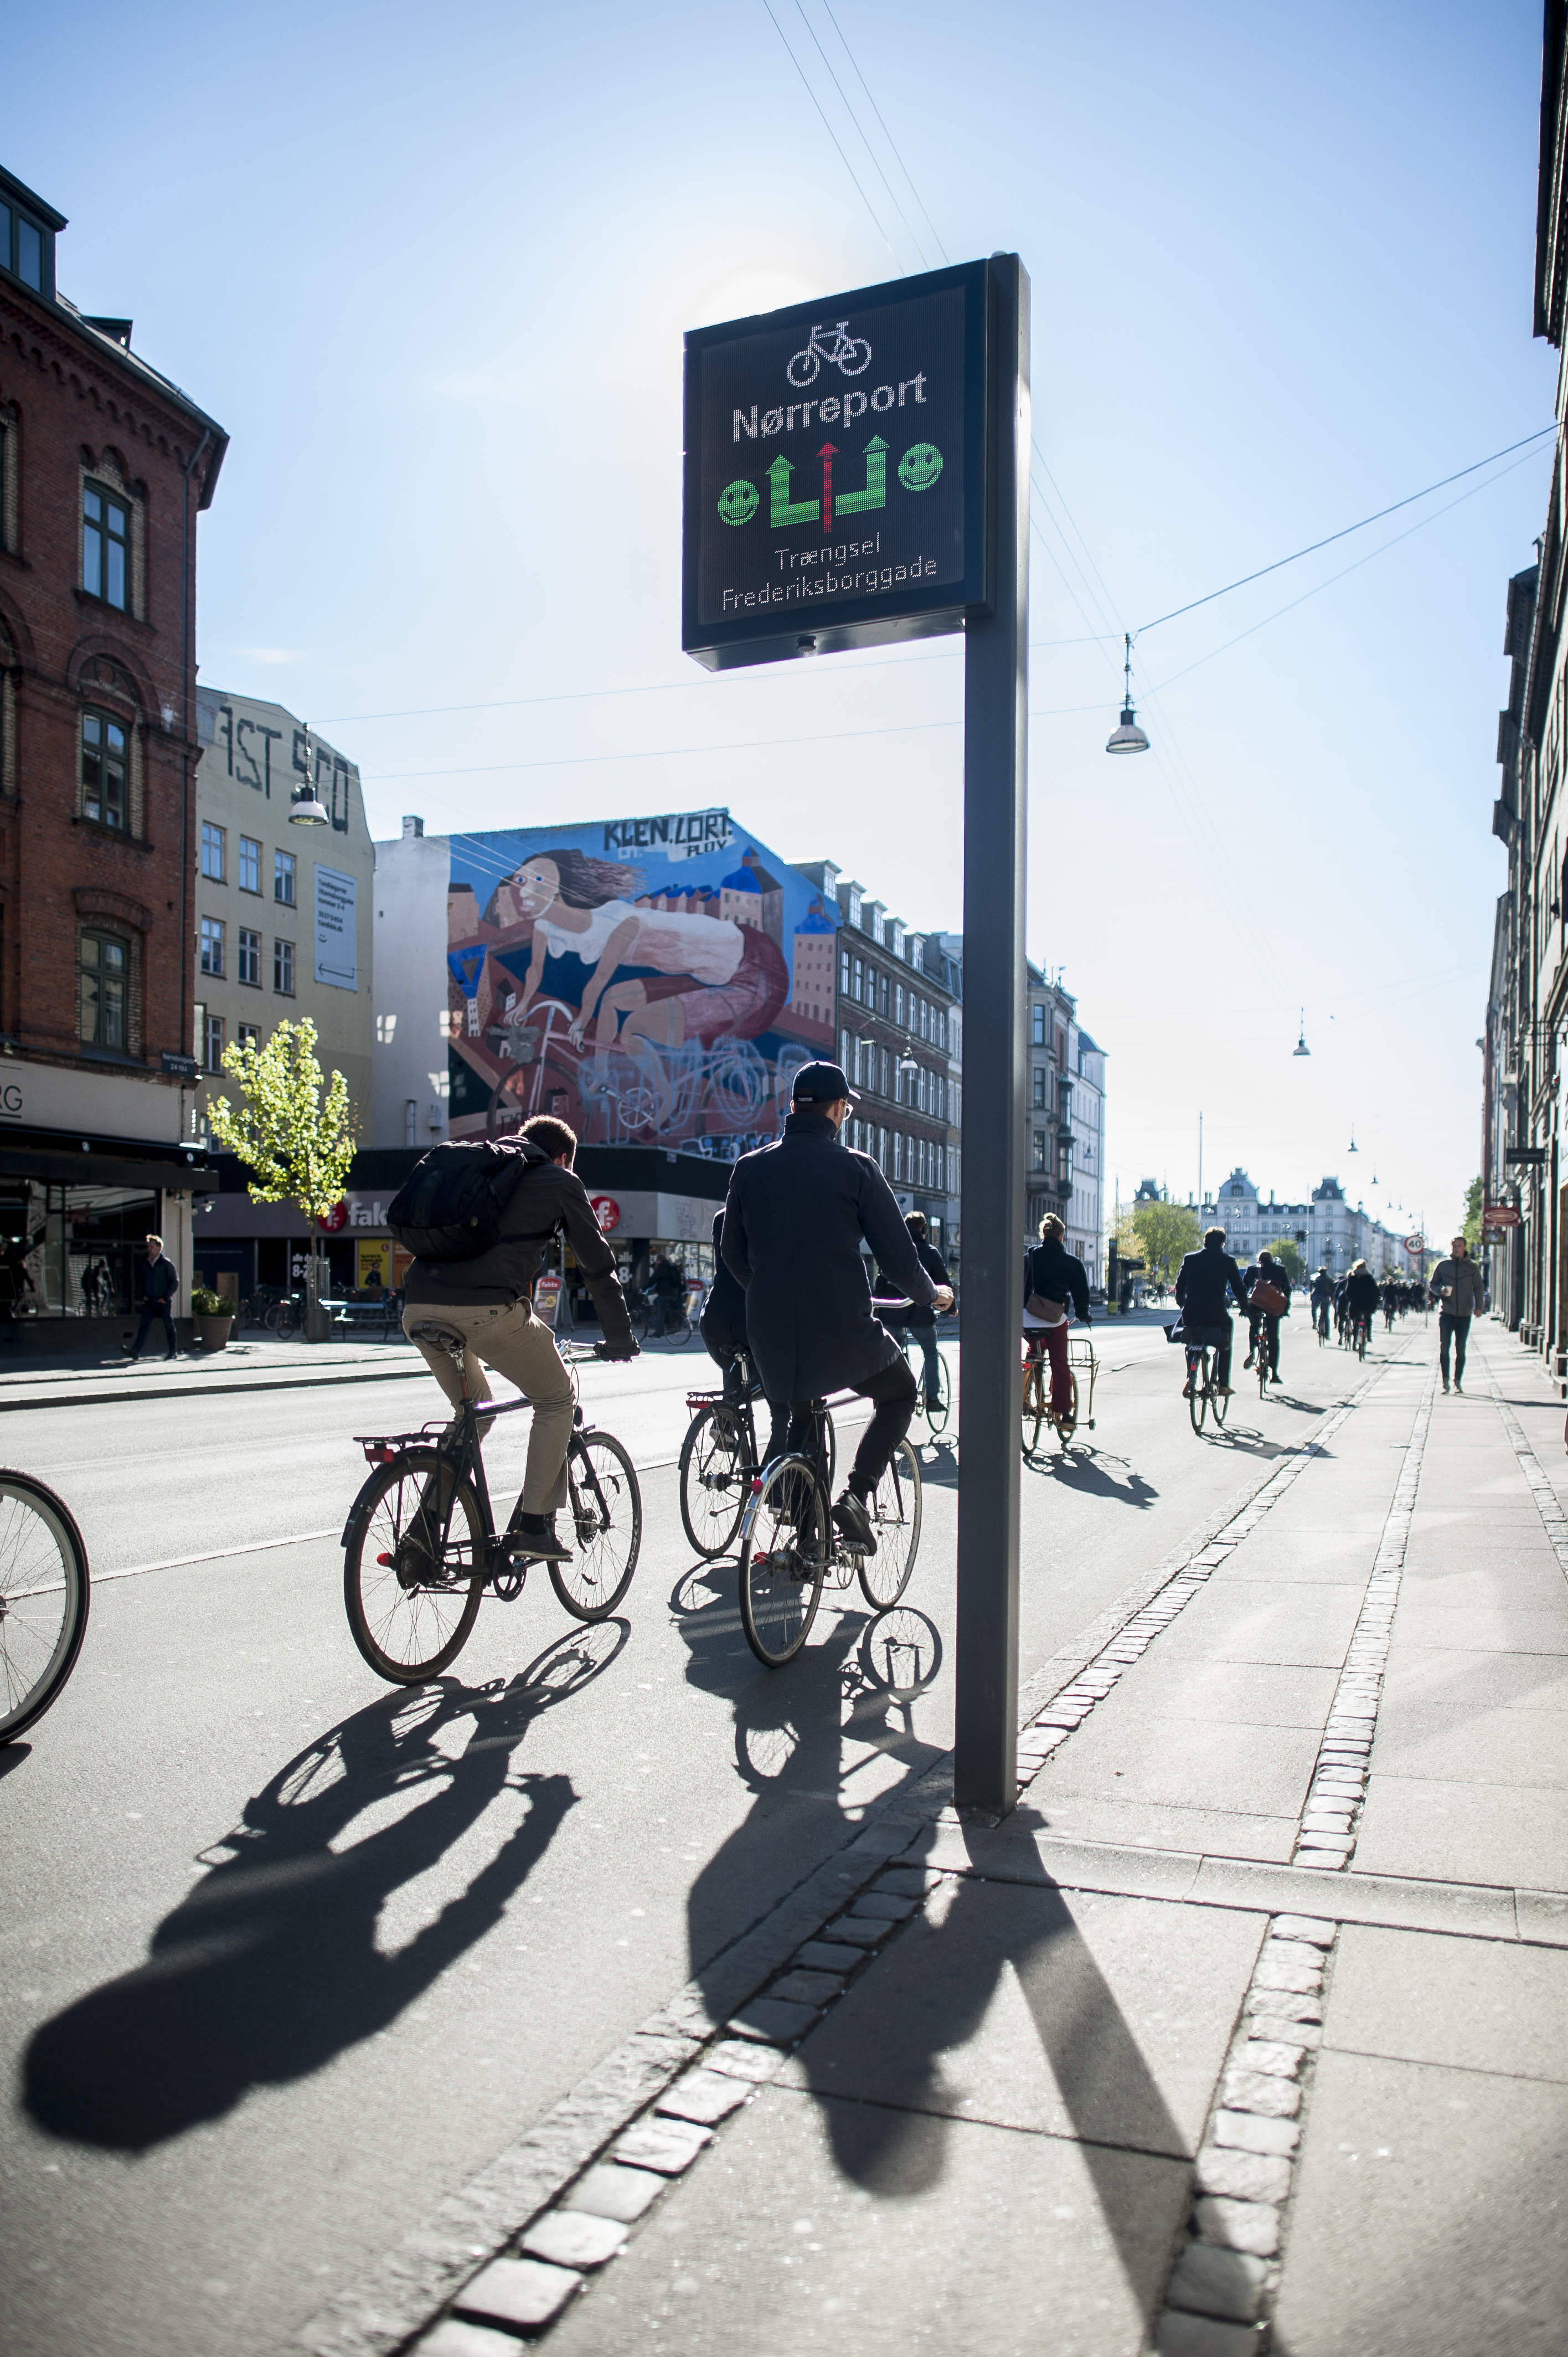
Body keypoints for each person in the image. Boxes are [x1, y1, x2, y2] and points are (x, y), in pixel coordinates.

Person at [721, 1059, 952, 1554]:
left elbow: (733, 1256)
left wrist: (772, 1290)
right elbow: (899, 1257)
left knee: (801, 1410)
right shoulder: (855, 1167)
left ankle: (809, 1539)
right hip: (841, 1325)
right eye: (845, 1107)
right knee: (900, 1393)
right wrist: (934, 1295)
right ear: (837, 1109)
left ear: (793, 1107)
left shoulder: (749, 1168)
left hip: (771, 1327)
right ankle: (856, 1496)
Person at [401, 1114, 637, 1563]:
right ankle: (533, 1526)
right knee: (556, 1400)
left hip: (419, 1309)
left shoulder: (475, 1168)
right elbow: (597, 1265)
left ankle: (425, 1529)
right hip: (487, 1312)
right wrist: (620, 1336)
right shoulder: (558, 1180)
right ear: (564, 1157)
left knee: (476, 1410)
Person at [878, 1211, 953, 1414]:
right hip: (920, 1315)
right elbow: (944, 1283)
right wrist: (951, 1309)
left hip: (892, 1312)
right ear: (924, 1230)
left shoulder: (892, 1250)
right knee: (930, 1351)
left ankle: (889, 1394)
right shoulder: (929, 1252)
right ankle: (933, 1399)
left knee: (890, 1354)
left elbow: (880, 1282)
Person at [1022, 1212, 1090, 1424]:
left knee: (1033, 1354)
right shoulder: (1071, 1262)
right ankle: (1064, 1414)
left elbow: (1020, 1288)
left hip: (1028, 1319)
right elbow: (1082, 1293)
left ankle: (1025, 1390)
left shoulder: (1029, 1258)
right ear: (1062, 1236)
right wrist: (1082, 1314)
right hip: (1055, 1320)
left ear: (1043, 1235)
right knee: (1060, 1365)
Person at [1173, 1225, 1248, 1397]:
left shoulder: (1190, 1259)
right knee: (1225, 1341)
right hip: (1216, 1314)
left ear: (1204, 1241)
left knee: (1192, 1341)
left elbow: (1180, 1285)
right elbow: (1238, 1287)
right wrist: (1245, 1306)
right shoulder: (1227, 1261)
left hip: (1192, 1313)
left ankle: (1191, 1377)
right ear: (1223, 1243)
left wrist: (1182, 1305)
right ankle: (1223, 1384)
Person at [1428, 1232, 1485, 1394]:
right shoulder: (1443, 1265)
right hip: (1446, 1312)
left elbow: (1479, 1288)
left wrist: (1479, 1307)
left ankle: (1458, 1382)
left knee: (1461, 1349)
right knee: (1444, 1347)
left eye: (1460, 1246)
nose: (1457, 1249)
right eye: (1454, 1246)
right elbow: (1433, 1284)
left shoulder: (1472, 1267)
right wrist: (1440, 1290)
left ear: (1465, 1248)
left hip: (1465, 1314)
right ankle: (1445, 1382)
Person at [1242, 1247, 1291, 1387]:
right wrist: (1285, 1309)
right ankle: (1274, 1373)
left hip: (1255, 1305)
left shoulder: (1252, 1269)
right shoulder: (1280, 1269)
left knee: (1254, 1327)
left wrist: (1243, 1308)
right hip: (1273, 1307)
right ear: (1271, 1259)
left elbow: (1244, 1288)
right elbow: (1287, 1290)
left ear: (1259, 1260)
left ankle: (1252, 1352)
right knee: (1274, 1339)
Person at [127, 1234, 180, 1360]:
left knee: (169, 1326)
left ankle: (173, 1351)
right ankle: (135, 1351)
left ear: (159, 1248)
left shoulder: (166, 1264)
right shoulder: (145, 1264)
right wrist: (143, 1295)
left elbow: (175, 1282)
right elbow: (141, 1281)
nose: (149, 1249)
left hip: (163, 1301)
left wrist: (166, 1297)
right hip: (150, 1301)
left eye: (151, 1246)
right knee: (144, 1325)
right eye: (148, 1246)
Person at [1343, 1258, 1380, 1351]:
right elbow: (1376, 1291)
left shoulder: (1352, 1278)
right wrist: (1378, 1299)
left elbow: (1348, 1292)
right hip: (1368, 1304)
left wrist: (1351, 1299)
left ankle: (1355, 1343)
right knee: (1367, 1319)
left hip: (1355, 1305)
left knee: (1357, 1322)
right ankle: (1368, 1336)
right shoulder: (1369, 1278)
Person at [648, 1252, 685, 1337]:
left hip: (664, 1294)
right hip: (673, 1294)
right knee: (660, 1306)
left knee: (660, 1313)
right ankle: (669, 1321)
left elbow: (653, 1279)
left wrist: (644, 1288)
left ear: (659, 1261)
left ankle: (658, 1333)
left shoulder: (662, 1268)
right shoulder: (672, 1268)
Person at [1309, 1266, 1333, 1340]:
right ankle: (1327, 1334)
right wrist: (1332, 1299)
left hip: (1316, 1297)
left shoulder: (1317, 1279)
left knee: (1314, 1309)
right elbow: (1333, 1290)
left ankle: (1315, 1322)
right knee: (1326, 1316)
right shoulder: (1330, 1279)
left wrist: (1312, 1296)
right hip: (1325, 1298)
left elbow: (1313, 1287)